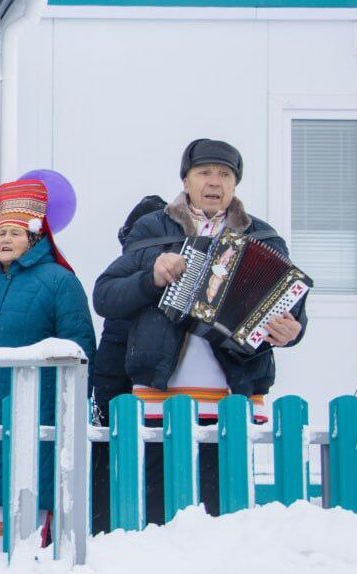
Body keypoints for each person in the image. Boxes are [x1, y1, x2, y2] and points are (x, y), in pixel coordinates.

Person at [93, 139, 306, 523]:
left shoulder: (264, 236)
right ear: (186, 180)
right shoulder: (152, 228)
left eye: (224, 174)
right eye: (204, 172)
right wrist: (151, 277)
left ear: (235, 184)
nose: (214, 182)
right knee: (157, 512)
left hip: (232, 398)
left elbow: (291, 311)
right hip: (159, 396)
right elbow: (106, 296)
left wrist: (293, 330)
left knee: (225, 514)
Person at [0, 179, 96, 545]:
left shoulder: (60, 283)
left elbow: (80, 351)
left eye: (15, 233)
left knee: (29, 494)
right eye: (1, 232)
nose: (5, 240)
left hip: (36, 413)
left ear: (34, 237)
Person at [89, 194, 167, 534]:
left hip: (144, 397)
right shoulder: (126, 283)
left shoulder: (154, 283)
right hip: (125, 397)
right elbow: (111, 348)